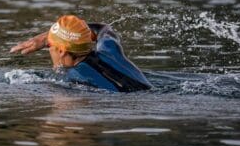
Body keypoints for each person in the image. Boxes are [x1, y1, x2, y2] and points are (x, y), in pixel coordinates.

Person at [10, 14, 151, 92]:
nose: (48, 49)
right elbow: (103, 29)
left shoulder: (69, 79)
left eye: (49, 45)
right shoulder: (110, 50)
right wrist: (50, 37)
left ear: (62, 51)